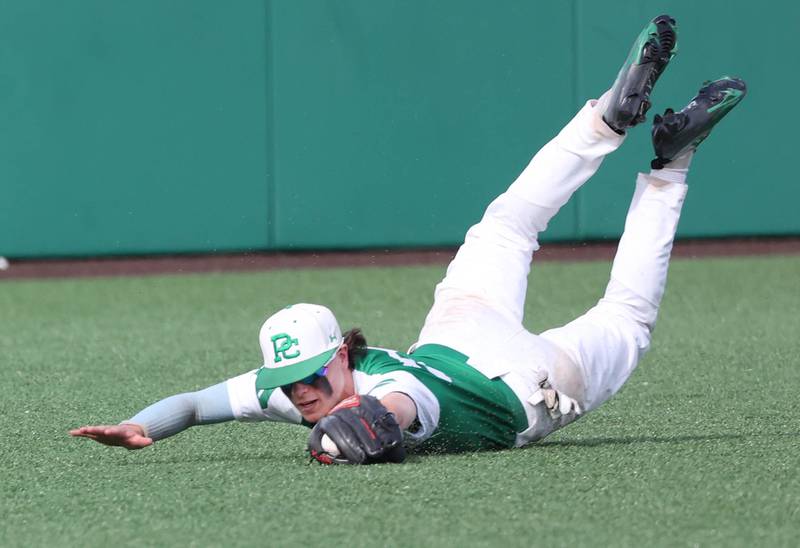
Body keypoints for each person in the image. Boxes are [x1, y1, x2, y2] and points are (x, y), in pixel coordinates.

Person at [70, 15, 746, 464]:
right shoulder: (296, 386)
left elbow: (396, 407)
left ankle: (671, 165)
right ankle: (605, 118)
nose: (300, 393)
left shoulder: (384, 386)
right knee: (506, 223)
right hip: (457, 336)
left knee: (624, 319)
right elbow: (194, 404)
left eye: (309, 377)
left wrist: (359, 431)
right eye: (289, 381)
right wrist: (142, 424)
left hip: (521, 390)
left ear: (341, 354)